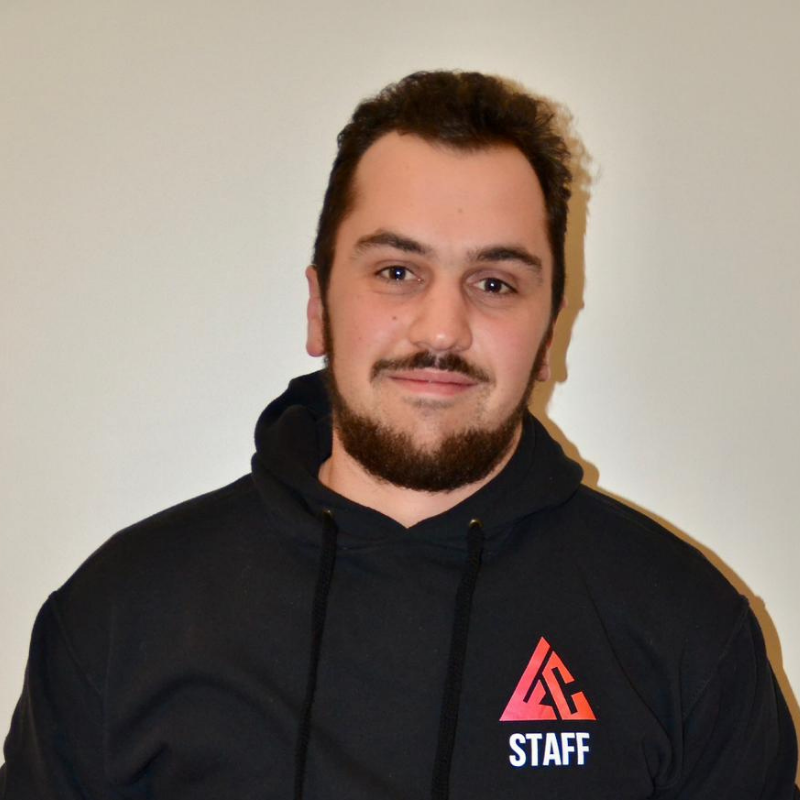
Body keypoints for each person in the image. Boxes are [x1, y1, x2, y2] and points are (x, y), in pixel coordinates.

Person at [1, 70, 797, 800]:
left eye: (494, 283)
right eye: (396, 272)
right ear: (318, 307)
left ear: (550, 332)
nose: (442, 328)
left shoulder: (686, 627)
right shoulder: (121, 613)